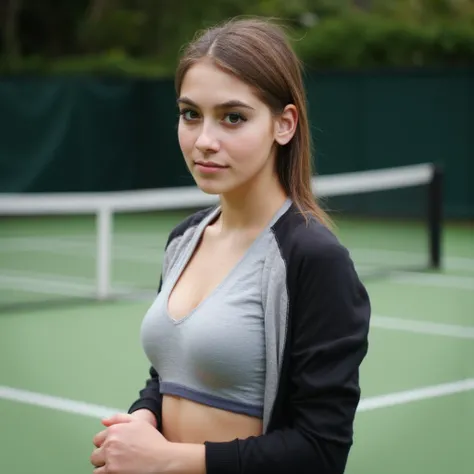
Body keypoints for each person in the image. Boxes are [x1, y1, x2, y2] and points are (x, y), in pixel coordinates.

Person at [90, 16, 371, 474]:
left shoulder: (314, 259)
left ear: (284, 124)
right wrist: (142, 418)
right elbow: (168, 376)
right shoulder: (184, 239)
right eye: (190, 114)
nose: (204, 140)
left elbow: (321, 451)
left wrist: (167, 460)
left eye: (233, 118)